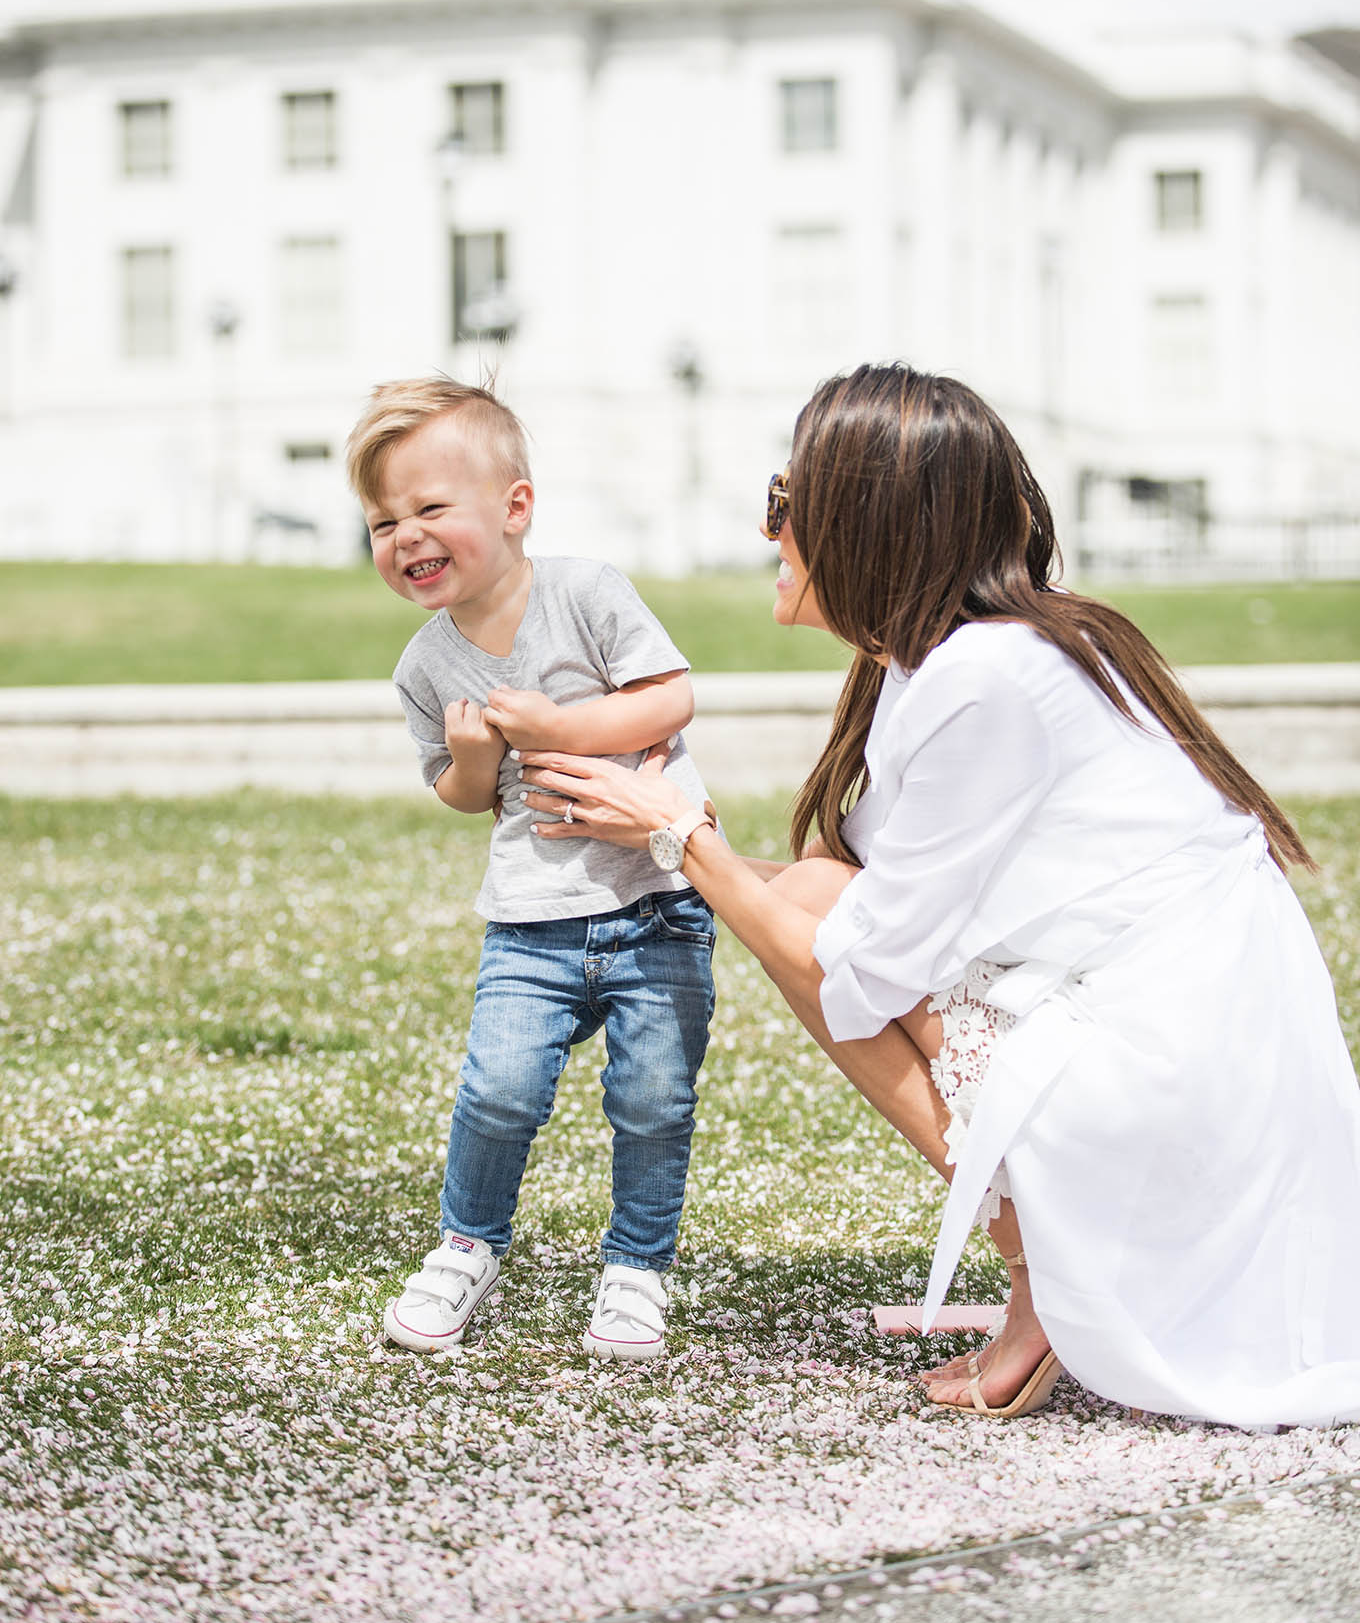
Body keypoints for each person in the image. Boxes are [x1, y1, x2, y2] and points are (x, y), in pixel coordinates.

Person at [515, 362, 1360, 1425]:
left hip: (1181, 1082)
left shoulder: (987, 678)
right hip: (1180, 1056)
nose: (769, 529)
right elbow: (858, 896)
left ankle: (1043, 1278)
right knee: (812, 893)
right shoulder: (952, 660)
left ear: (863, 523)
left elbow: (865, 968)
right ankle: (1048, 1261)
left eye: (785, 502)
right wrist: (666, 841)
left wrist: (680, 839)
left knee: (816, 927)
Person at [346, 376, 716, 1361]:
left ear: (515, 507)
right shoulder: (424, 666)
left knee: (653, 1102)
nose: (406, 537)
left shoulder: (585, 593)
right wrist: (475, 760)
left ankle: (636, 1268)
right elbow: (458, 791)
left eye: (430, 508)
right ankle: (466, 1246)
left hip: (656, 904)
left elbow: (669, 697)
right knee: (499, 1093)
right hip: (529, 918)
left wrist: (557, 727)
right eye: (383, 522)